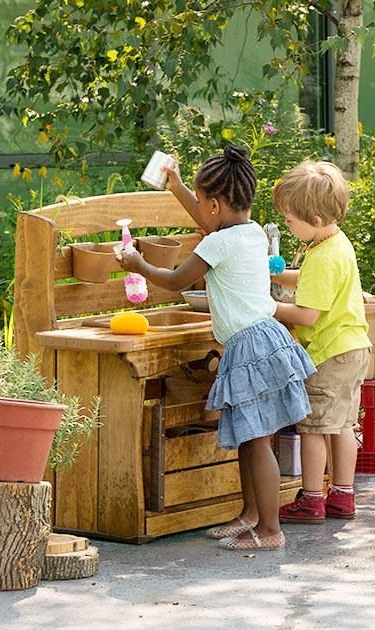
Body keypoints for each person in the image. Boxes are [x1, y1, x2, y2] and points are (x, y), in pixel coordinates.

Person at [117, 145, 315, 551]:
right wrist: (175, 186)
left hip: (249, 348)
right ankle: (251, 516)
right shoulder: (251, 231)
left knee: (257, 441)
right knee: (250, 436)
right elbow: (210, 222)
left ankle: (271, 531)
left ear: (213, 203)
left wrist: (137, 264)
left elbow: (174, 280)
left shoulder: (217, 244)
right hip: (266, 339)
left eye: (201, 200)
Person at [268, 161, 372, 524]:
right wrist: (280, 274)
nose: (287, 225)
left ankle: (312, 498)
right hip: (353, 347)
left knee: (312, 428)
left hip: (329, 354)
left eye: (290, 219)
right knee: (342, 424)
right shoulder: (335, 244)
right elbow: (312, 280)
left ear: (313, 217)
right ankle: (342, 495)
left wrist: (270, 306)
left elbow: (307, 315)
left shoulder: (323, 256)